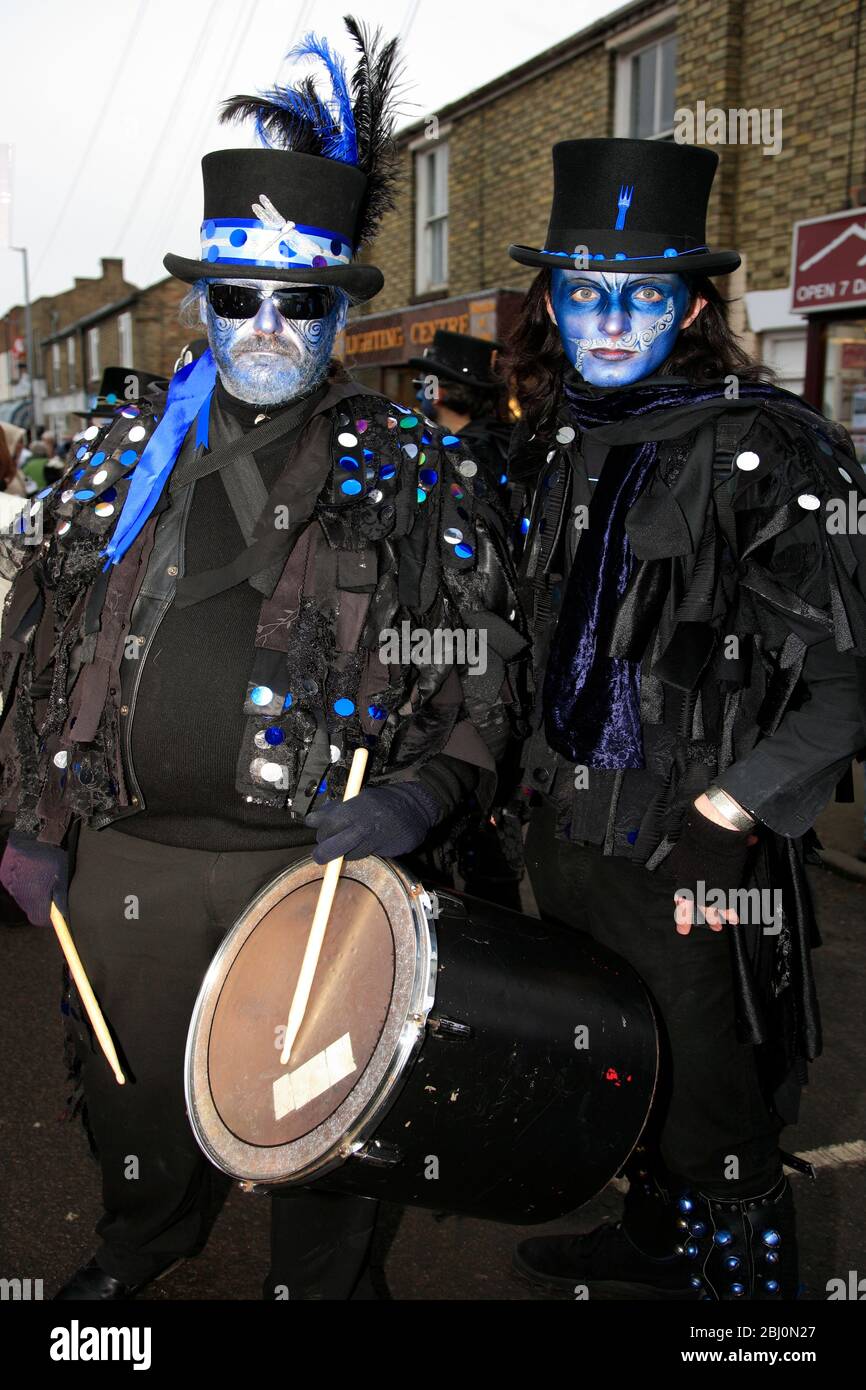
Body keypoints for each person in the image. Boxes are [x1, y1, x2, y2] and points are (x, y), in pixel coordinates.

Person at [0, 19, 525, 1302]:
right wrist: (31, 817)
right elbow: (34, 643)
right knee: (131, 1095)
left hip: (314, 874)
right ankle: (141, 1248)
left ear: (339, 309)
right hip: (123, 863)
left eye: (304, 301)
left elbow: (482, 676)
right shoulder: (115, 457)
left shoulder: (411, 468)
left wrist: (421, 793)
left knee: (321, 1116)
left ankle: (326, 1289)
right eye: (240, 297)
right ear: (201, 301)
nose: (270, 326)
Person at [503, 137, 866, 1301]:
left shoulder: (766, 445)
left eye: (643, 295)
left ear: (694, 304)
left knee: (714, 1098)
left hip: (689, 852)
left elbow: (847, 679)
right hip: (565, 838)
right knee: (623, 1067)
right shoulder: (562, 436)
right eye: (583, 293)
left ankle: (747, 1311)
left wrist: (726, 813)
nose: (610, 321)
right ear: (550, 302)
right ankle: (654, 1242)